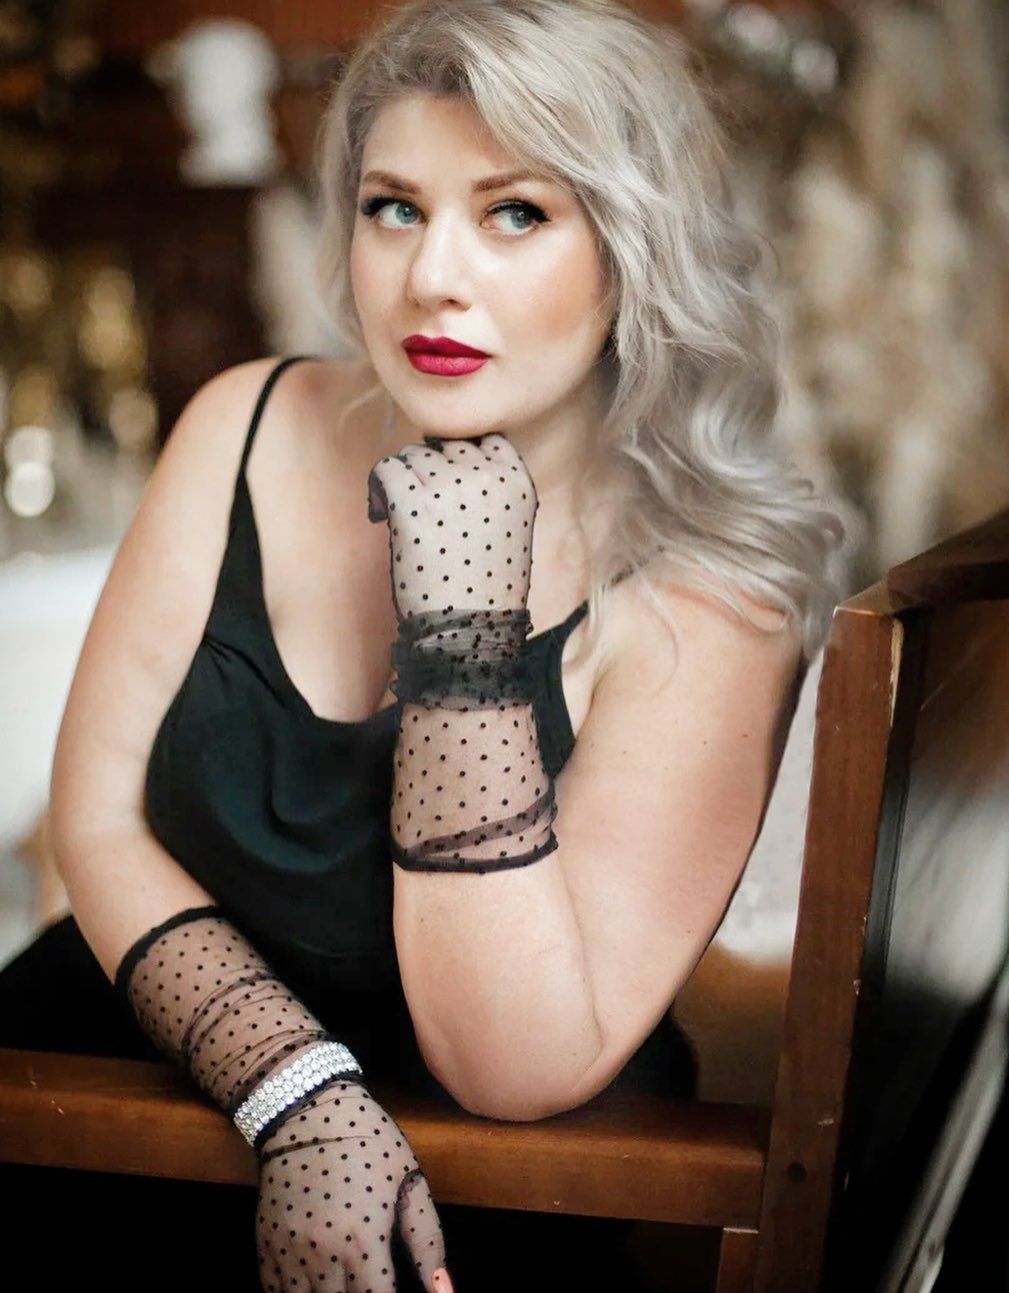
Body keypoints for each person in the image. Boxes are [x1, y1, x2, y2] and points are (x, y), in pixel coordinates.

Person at [0, 1, 847, 1289]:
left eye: (516, 213)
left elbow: (511, 1066)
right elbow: (99, 822)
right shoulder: (247, 420)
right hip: (101, 1101)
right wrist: (292, 1088)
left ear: (634, 251)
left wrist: (463, 637)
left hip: (459, 1205)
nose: (432, 276)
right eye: (393, 206)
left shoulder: (716, 603)